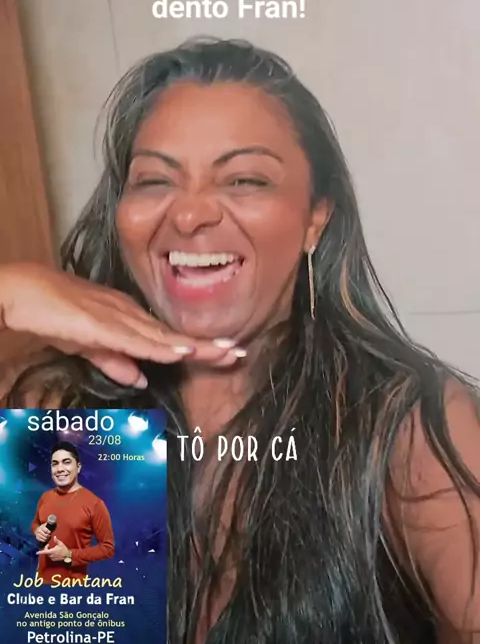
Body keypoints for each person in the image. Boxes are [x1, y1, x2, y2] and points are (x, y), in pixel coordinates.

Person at [0, 38, 479, 642]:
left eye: (245, 179)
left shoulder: (407, 428)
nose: (189, 215)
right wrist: (6, 294)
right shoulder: (62, 412)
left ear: (315, 218)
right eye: (154, 180)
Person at [32, 441, 114, 583]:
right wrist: (37, 530)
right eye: (55, 464)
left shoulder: (95, 503)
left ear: (78, 467)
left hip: (73, 587)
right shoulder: (45, 497)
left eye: (66, 462)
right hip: (41, 583)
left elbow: (108, 548)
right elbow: (35, 524)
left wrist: (69, 554)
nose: (60, 469)